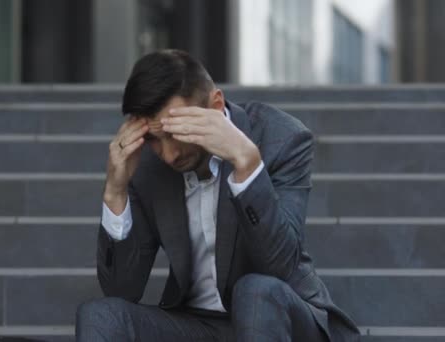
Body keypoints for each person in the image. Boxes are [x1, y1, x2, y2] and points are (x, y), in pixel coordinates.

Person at [76, 49, 360, 341]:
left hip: (282, 317)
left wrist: (246, 164)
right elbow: (122, 290)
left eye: (176, 132)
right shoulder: (146, 164)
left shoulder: (280, 138)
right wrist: (115, 190)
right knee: (101, 315)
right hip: (197, 324)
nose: (169, 154)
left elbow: (280, 266)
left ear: (215, 105)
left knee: (256, 291)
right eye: (154, 138)